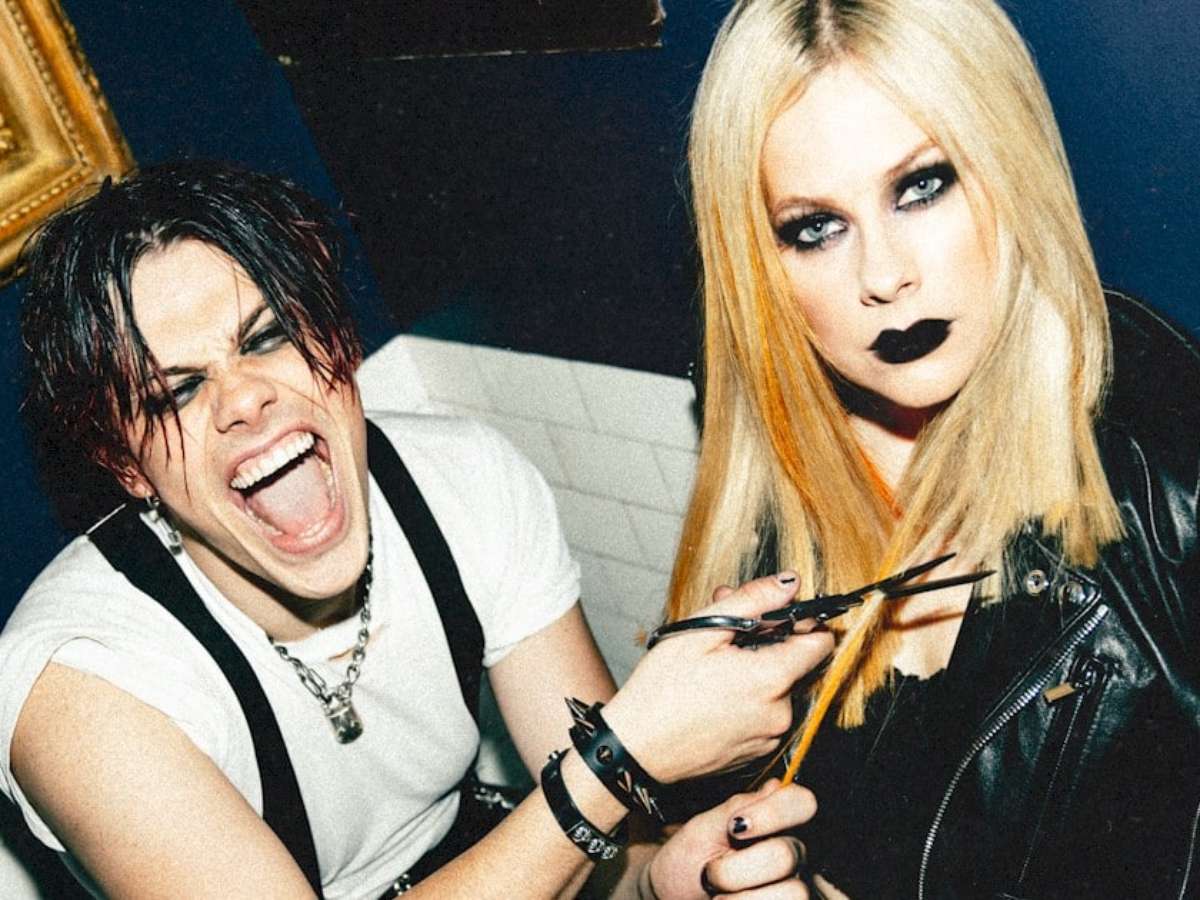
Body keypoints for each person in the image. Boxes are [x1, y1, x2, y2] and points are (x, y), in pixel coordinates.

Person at [0, 161, 834, 899]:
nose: (244, 396)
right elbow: (602, 783)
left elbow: (612, 840)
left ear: (335, 341)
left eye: (267, 337)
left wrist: (670, 875)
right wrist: (618, 759)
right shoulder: (77, 689)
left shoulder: (463, 481)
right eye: (176, 392)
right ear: (127, 465)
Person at [668, 0, 1200, 897]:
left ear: (1010, 162)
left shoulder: (1170, 469)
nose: (884, 276)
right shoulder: (772, 492)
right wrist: (683, 875)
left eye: (922, 186)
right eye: (815, 228)